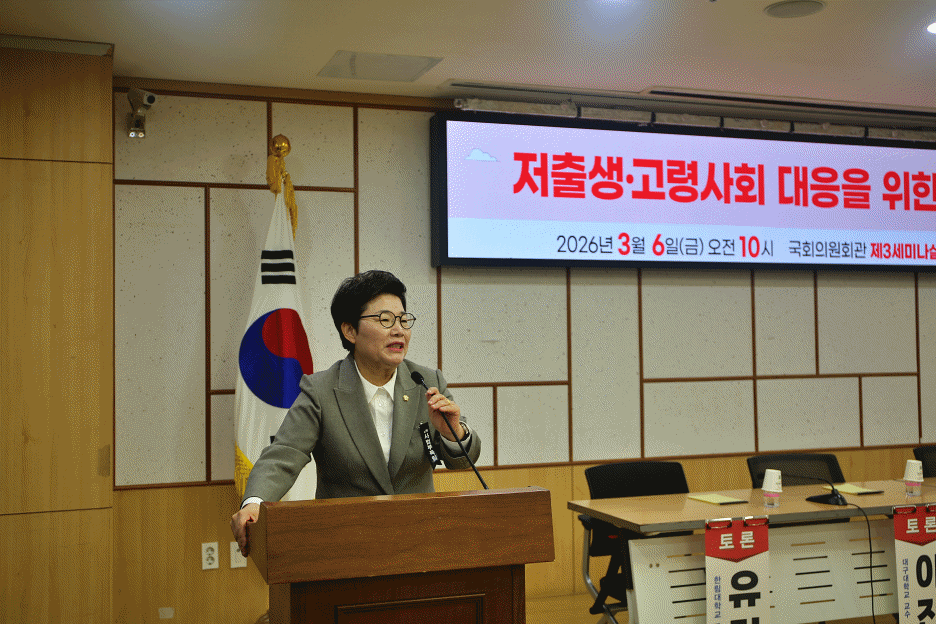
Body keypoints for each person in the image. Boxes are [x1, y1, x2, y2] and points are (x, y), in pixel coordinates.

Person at [231, 270, 481, 556]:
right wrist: (254, 502)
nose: (399, 330)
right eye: (385, 320)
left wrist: (453, 433)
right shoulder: (321, 391)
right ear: (350, 331)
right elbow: (283, 455)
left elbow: (463, 461)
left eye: (403, 320)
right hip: (347, 547)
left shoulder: (426, 382)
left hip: (419, 543)